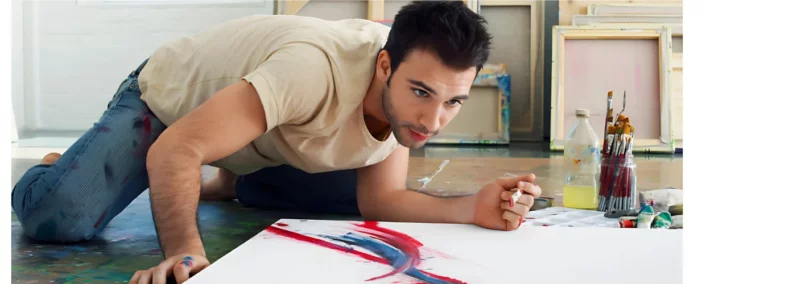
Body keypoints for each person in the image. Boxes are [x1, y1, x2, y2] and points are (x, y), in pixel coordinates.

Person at [10, 1, 542, 283]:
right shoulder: (313, 71)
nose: (433, 119)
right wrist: (186, 257)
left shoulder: (408, 95)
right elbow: (176, 151)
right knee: (61, 217)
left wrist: (473, 207)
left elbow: (381, 200)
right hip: (167, 103)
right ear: (384, 67)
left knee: (349, 205)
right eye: (421, 93)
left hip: (262, 128)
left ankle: (232, 180)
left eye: (453, 101)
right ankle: (63, 168)